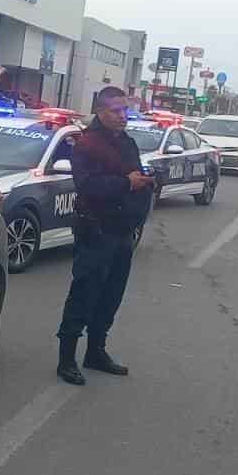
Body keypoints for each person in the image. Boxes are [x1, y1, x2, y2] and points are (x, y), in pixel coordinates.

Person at [55, 86, 155, 385]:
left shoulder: (128, 143)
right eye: (116, 110)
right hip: (96, 230)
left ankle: (96, 351)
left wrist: (140, 190)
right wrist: (126, 183)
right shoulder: (86, 145)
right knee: (84, 294)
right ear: (100, 112)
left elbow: (136, 178)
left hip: (123, 232)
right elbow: (88, 186)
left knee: (111, 296)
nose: (123, 116)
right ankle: (66, 359)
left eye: (125, 110)